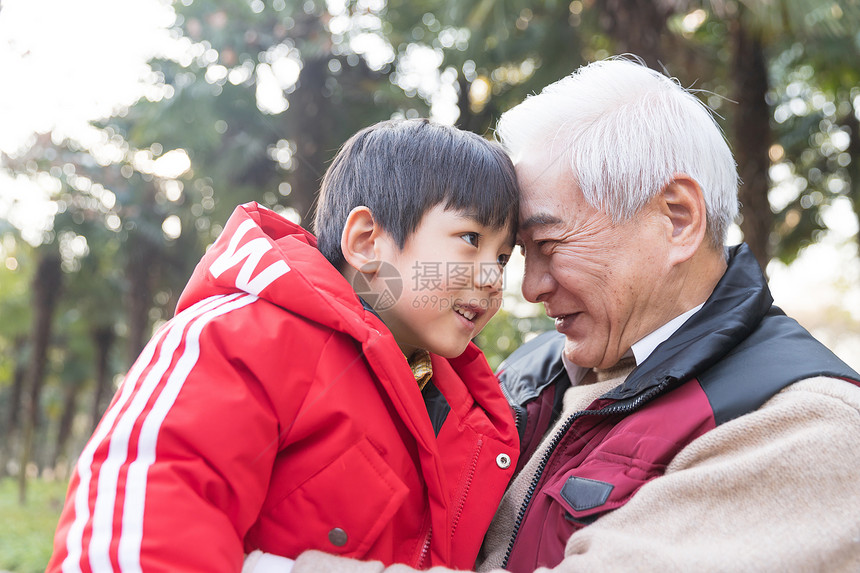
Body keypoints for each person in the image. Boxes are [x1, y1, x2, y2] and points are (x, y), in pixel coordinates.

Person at [288, 57, 860, 572]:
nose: (530, 288)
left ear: (678, 219)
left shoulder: (805, 429)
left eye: (550, 245)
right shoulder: (533, 370)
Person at [47, 118, 522, 573]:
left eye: (502, 257)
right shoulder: (242, 340)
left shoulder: (468, 414)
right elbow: (143, 521)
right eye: (470, 239)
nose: (492, 278)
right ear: (367, 242)